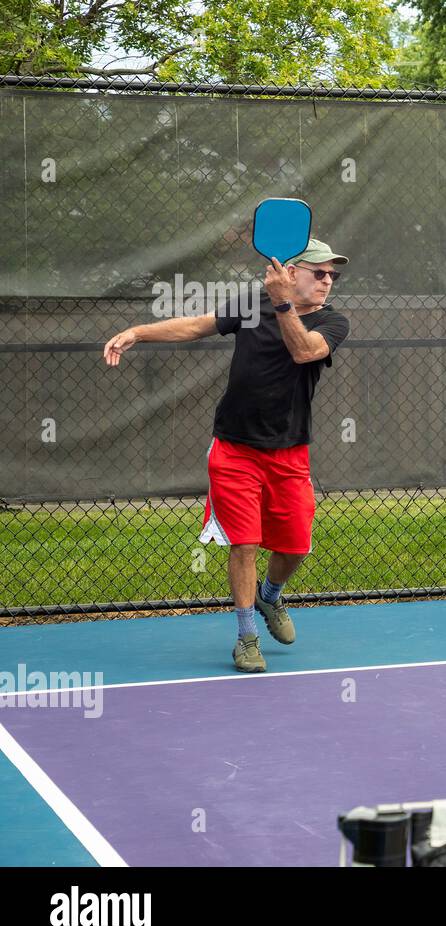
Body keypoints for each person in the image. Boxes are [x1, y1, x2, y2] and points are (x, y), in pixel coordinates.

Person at [103, 239, 350, 671]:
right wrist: (138, 332)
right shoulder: (252, 304)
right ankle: (246, 637)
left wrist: (283, 306)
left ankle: (269, 596)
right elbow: (196, 326)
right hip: (234, 448)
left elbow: (305, 351)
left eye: (333, 275)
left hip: (290, 453)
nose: (328, 281)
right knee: (245, 543)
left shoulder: (334, 321)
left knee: (295, 545)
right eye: (319, 272)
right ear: (292, 273)